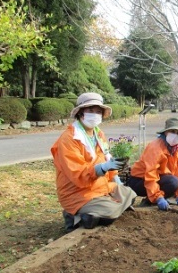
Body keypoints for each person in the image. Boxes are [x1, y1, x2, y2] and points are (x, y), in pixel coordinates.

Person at [51, 92, 137, 233]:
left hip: (100, 186)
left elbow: (106, 158)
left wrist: (115, 178)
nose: (95, 114)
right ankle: (74, 216)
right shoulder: (69, 139)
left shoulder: (98, 134)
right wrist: (102, 168)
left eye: (98, 111)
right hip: (77, 192)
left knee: (130, 195)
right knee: (110, 211)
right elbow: (78, 174)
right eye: (90, 110)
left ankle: (95, 213)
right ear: (80, 112)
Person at [128, 117, 178, 211]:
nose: (176, 135)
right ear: (166, 132)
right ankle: (153, 199)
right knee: (173, 182)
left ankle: (153, 199)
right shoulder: (155, 148)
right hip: (139, 180)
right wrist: (158, 197)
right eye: (172, 131)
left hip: (160, 178)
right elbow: (150, 175)